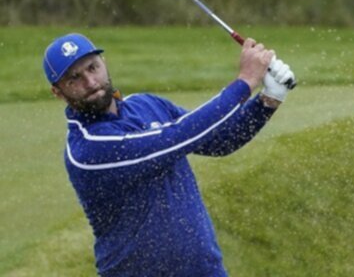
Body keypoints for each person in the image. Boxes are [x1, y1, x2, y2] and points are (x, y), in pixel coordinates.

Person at [42, 33, 295, 276]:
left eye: (92, 68)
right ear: (58, 92)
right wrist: (245, 82)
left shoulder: (146, 105)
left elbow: (220, 140)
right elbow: (176, 137)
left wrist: (268, 99)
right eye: (74, 78)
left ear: (104, 64)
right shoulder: (88, 149)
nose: (90, 82)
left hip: (205, 270)